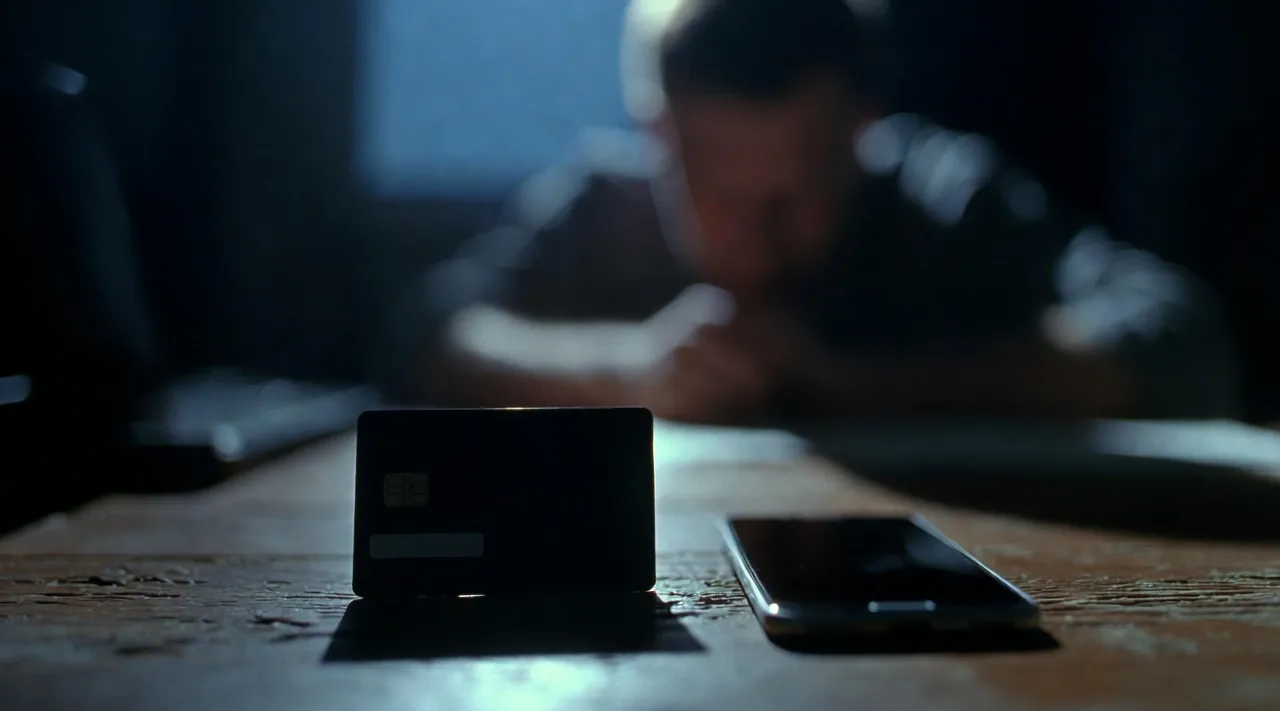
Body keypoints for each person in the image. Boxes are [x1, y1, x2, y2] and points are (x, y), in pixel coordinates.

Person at [382, 0, 1238, 423]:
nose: (760, 240)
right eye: (723, 196)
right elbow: (422, 337)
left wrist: (849, 383)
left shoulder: (942, 196)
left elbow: (1185, 343)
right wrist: (627, 370)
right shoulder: (602, 205)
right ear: (658, 135)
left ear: (863, 131)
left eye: (795, 196)